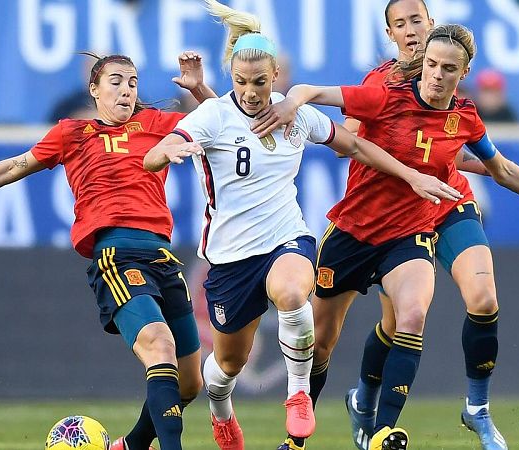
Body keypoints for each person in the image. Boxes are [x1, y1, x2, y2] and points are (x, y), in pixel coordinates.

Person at [251, 23, 519, 450]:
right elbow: (311, 91)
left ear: (463, 73)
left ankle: (383, 431)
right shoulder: (385, 97)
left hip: (409, 236)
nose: (437, 75)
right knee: (319, 344)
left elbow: (502, 169)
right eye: (431, 64)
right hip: (353, 233)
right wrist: (290, 103)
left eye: (448, 69)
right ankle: (297, 440)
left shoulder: (464, 117)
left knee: (411, 317)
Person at [143, 3, 460, 450]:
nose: (251, 93)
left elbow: (355, 145)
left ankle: (297, 395)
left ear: (276, 76)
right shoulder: (212, 115)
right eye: (241, 82)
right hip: (231, 256)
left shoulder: (294, 115)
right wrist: (166, 152)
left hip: (285, 238)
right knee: (228, 364)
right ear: (231, 77)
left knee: (294, 293)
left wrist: (411, 175)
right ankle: (221, 410)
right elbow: (154, 154)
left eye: (260, 82)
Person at [0, 51, 217, 450]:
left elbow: (224, 121)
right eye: (116, 81)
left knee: (189, 383)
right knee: (159, 344)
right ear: (94, 89)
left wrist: (199, 89)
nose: (126, 90)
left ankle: (130, 445)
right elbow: (14, 166)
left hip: (163, 259)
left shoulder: (156, 124)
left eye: (133, 83)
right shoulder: (73, 133)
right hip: (117, 256)